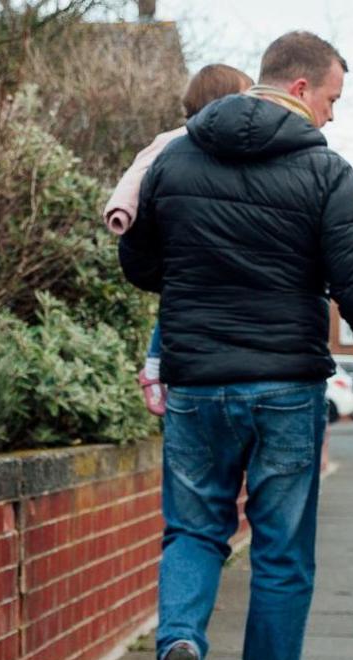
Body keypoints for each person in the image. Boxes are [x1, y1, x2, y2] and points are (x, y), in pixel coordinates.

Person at [119, 31, 353, 660]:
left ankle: (179, 641)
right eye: (333, 97)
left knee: (194, 531)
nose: (333, 115)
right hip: (284, 386)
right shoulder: (323, 169)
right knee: (280, 552)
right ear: (301, 88)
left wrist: (199, 278)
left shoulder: (174, 157)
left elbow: (139, 260)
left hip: (198, 382)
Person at [101, 64, 256, 415]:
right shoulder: (175, 141)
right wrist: (121, 210)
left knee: (180, 298)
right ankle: (153, 366)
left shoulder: (229, 149)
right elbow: (136, 173)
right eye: (245, 96)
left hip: (200, 261)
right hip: (180, 255)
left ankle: (156, 365)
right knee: (176, 298)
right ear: (222, 101)